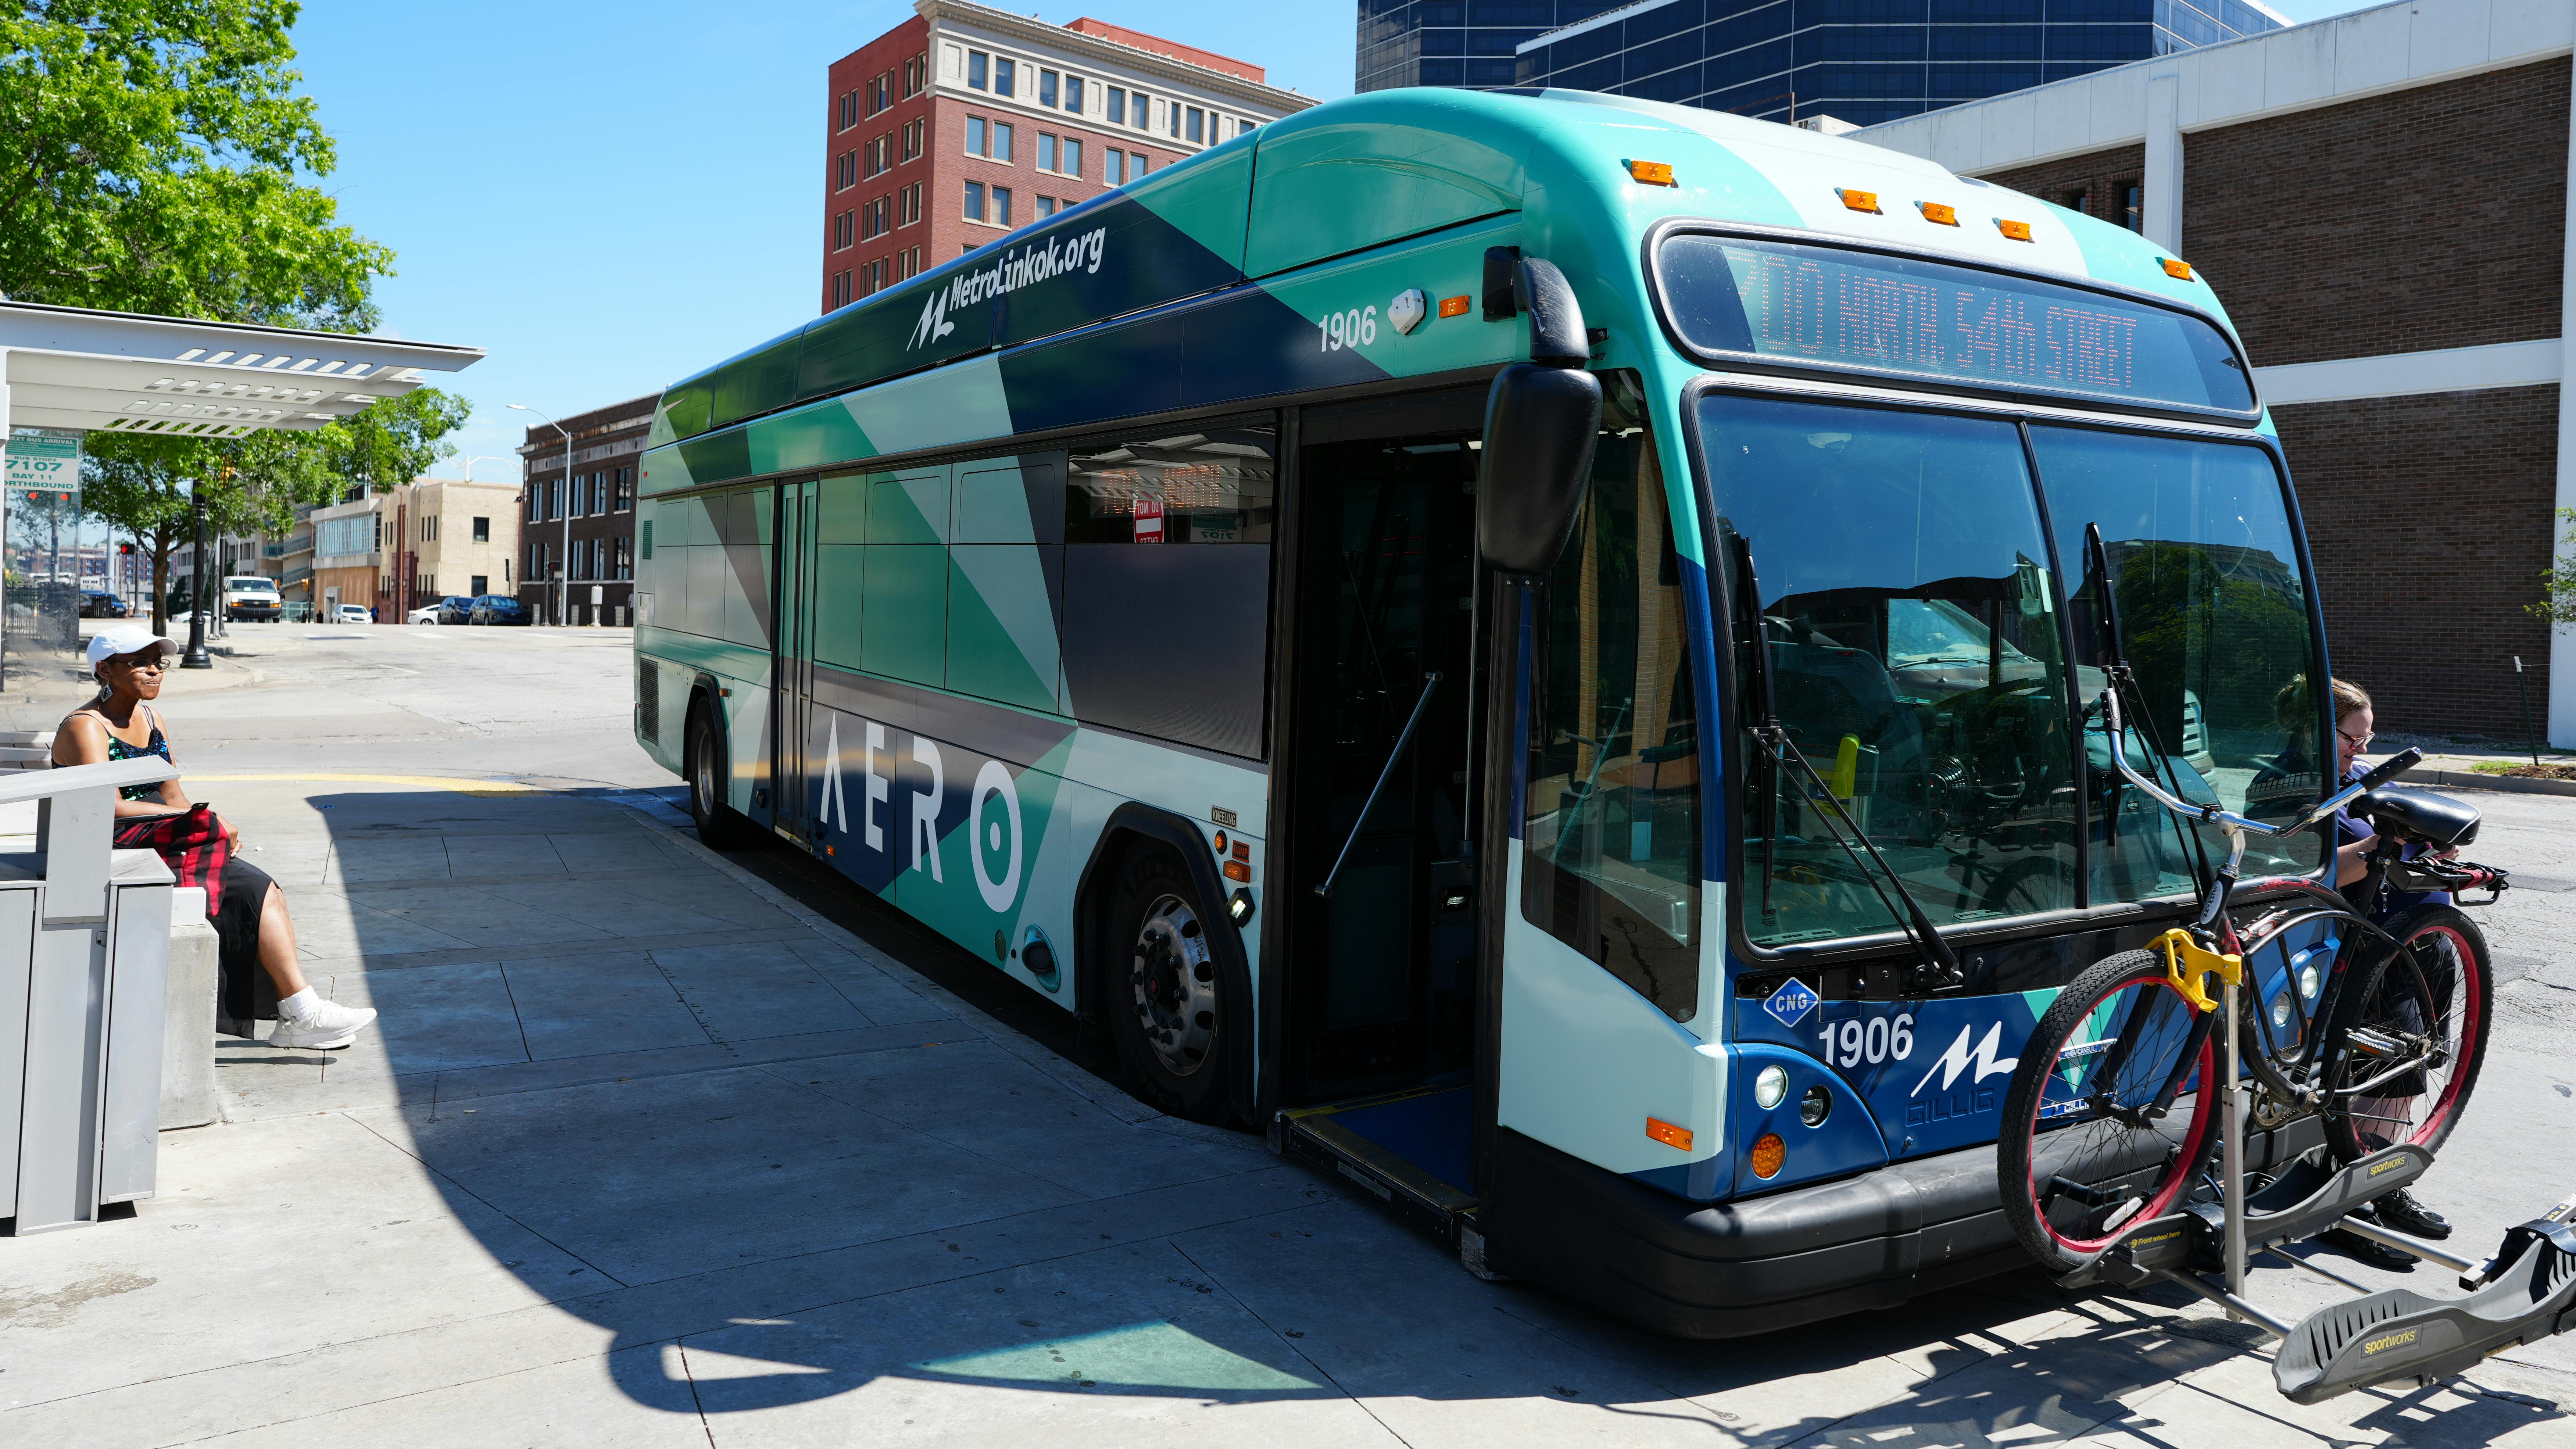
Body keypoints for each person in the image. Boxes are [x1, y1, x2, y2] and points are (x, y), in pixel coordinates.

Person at [53, 625, 379, 1050]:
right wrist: (201, 823)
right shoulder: (86, 727)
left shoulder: (151, 718)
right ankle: (300, 1015)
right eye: (140, 663)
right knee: (248, 887)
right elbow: (109, 807)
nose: (154, 671)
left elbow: (173, 794)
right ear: (104, 670)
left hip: (155, 836)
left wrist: (206, 827)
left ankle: (299, 1013)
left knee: (262, 888)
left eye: (159, 662)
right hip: (109, 845)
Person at [2270, 675, 2453, 1261]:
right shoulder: (2286, 786)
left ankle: (2382, 1184)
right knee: (2365, 1073)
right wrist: (2397, 846)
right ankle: (2347, 1202)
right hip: (2361, 948)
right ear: (2313, 729)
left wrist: (2429, 845)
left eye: (2369, 738)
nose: (2364, 750)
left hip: (2416, 944)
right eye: (2354, 737)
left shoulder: (2354, 780)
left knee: (2405, 1073)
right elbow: (2322, 868)